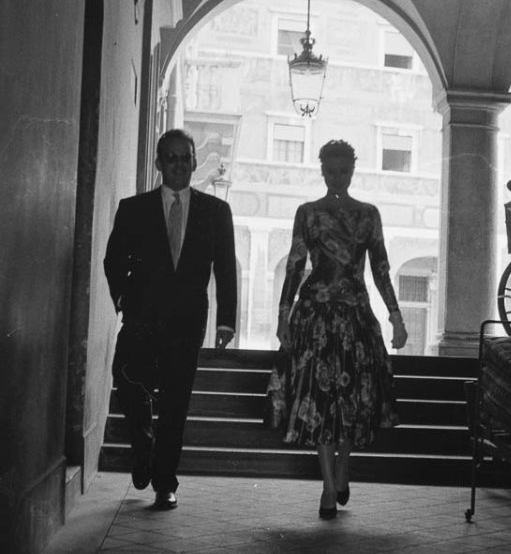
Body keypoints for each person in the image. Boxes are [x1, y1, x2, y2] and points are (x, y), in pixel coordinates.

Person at [268, 140, 407, 519]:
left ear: (352, 170)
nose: (337, 178)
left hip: (355, 316)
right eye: (331, 171)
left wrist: (396, 316)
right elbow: (296, 265)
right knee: (320, 401)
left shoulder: (368, 214)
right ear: (322, 171)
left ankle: (341, 472)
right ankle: (329, 487)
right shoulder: (308, 213)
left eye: (343, 171)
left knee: (352, 402)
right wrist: (283, 314)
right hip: (314, 317)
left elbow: (380, 267)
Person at [104, 129, 237, 510]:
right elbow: (114, 260)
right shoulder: (134, 209)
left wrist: (226, 321)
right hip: (142, 315)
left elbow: (225, 269)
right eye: (171, 157)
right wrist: (124, 298)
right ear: (159, 163)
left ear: (195, 163)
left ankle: (165, 481)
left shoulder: (216, 212)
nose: (179, 164)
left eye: (186, 157)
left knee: (176, 400)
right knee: (127, 378)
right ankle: (142, 444)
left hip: (187, 320)